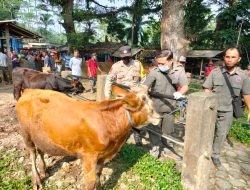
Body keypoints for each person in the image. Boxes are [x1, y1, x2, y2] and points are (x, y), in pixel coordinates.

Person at [203, 47, 250, 167]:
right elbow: (206, 88)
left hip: (228, 111)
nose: (229, 59)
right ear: (224, 57)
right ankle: (203, 150)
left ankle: (215, 154)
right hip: (211, 109)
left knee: (222, 134)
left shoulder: (243, 76)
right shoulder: (215, 72)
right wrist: (208, 95)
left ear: (239, 59)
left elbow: (246, 94)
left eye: (233, 57)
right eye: (227, 56)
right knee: (206, 131)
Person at [142, 50, 189, 160]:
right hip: (155, 107)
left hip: (170, 107)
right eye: (158, 63)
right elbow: (145, 86)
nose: (160, 65)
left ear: (171, 61)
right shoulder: (155, 71)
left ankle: (167, 149)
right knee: (154, 130)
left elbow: (185, 86)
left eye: (163, 63)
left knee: (168, 130)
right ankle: (154, 151)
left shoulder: (179, 70)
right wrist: (141, 93)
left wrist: (180, 93)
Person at [104, 46, 145, 146]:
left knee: (136, 117)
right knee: (121, 117)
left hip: (134, 96)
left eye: (127, 57)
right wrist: (107, 96)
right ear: (120, 57)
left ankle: (137, 136)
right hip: (121, 96)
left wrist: (143, 92)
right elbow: (109, 80)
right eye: (123, 57)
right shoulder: (116, 66)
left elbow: (143, 79)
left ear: (131, 55)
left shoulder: (138, 64)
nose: (125, 59)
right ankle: (122, 136)